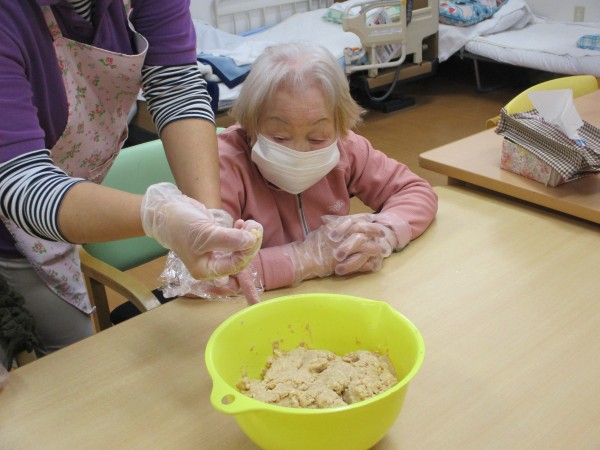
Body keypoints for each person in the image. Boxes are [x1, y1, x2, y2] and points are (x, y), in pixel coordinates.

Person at [0, 0, 262, 357]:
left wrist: (209, 222)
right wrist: (159, 216)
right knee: (58, 362)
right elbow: (22, 181)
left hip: (62, 194)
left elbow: (176, 88)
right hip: (18, 211)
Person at [162, 41, 437, 298]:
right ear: (250, 124)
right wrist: (303, 258)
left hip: (333, 298)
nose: (299, 152)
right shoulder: (222, 164)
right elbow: (193, 276)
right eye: (280, 137)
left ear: (340, 125)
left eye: (317, 138)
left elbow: (415, 191)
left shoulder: (347, 148)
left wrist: (383, 233)